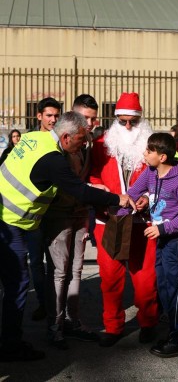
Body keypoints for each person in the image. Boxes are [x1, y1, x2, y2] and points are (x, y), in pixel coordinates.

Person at [0, 111, 134, 362]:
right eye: (81, 139)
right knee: (17, 284)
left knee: (13, 283)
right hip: (9, 221)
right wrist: (117, 198)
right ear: (65, 137)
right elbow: (79, 191)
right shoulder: (54, 159)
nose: (85, 143)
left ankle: (10, 339)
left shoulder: (35, 138)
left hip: (6, 214)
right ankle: (10, 345)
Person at [90, 92, 159, 347]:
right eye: (123, 121)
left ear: (141, 120)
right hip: (108, 221)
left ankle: (149, 322)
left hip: (142, 222)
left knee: (144, 278)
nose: (128, 127)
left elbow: (162, 179)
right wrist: (105, 194)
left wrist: (149, 198)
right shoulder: (100, 145)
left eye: (133, 121)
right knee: (110, 278)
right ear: (115, 120)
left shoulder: (153, 146)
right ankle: (113, 326)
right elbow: (93, 177)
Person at [120, 132, 178, 357]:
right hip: (163, 241)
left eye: (149, 150)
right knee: (164, 289)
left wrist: (163, 228)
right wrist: (121, 211)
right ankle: (177, 333)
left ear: (162, 157)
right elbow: (132, 193)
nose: (145, 153)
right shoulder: (151, 172)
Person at [41, 94, 102, 349]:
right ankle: (55, 328)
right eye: (84, 118)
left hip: (79, 213)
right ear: (73, 117)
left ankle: (73, 321)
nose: (89, 123)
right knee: (59, 272)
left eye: (92, 118)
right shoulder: (57, 144)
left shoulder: (87, 143)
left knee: (76, 269)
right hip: (58, 214)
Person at [27, 97, 62, 321]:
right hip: (31, 213)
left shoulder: (61, 141)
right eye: (48, 115)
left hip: (54, 211)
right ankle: (43, 303)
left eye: (56, 116)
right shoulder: (29, 139)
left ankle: (54, 306)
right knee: (36, 262)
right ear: (39, 116)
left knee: (55, 264)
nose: (52, 119)